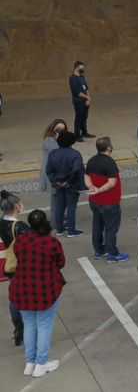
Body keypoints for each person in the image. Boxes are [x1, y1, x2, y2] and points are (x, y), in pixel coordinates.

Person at [9, 209, 66, 377]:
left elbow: (18, 256)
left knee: (29, 326)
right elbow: (60, 263)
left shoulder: (20, 241)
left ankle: (30, 362)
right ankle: (41, 364)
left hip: (21, 290)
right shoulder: (52, 242)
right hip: (45, 292)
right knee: (43, 326)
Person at [84, 137, 128, 263]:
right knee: (111, 228)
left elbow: (86, 175)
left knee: (97, 225)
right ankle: (112, 254)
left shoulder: (92, 160)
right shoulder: (110, 163)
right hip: (109, 201)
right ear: (108, 147)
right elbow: (111, 183)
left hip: (94, 201)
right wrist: (99, 189)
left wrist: (91, 187)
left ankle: (99, 250)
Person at [1, 190, 29, 348]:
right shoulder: (20, 227)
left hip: (11, 265)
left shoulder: (2, 222)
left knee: (14, 298)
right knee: (26, 299)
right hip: (23, 267)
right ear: (16, 206)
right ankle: (27, 329)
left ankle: (18, 328)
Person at [45, 130, 86, 237]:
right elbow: (77, 169)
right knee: (71, 207)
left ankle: (60, 229)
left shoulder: (53, 153)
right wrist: (68, 181)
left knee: (60, 206)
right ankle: (71, 230)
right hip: (71, 184)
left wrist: (55, 181)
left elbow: (49, 169)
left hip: (58, 183)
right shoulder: (75, 154)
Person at [38, 119, 66, 208]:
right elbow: (56, 152)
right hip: (52, 171)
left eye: (62, 129)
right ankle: (55, 218)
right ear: (53, 127)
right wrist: (59, 139)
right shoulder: (49, 140)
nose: (59, 130)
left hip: (59, 170)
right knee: (55, 198)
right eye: (58, 128)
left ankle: (60, 214)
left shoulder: (61, 139)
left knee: (60, 197)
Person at [69, 61, 93, 142]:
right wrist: (87, 97)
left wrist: (88, 98)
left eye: (83, 68)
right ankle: (77, 134)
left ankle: (84, 132)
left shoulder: (82, 77)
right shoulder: (73, 79)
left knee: (84, 117)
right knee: (79, 117)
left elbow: (86, 88)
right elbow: (77, 92)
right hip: (78, 101)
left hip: (85, 101)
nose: (82, 70)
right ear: (76, 68)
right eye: (81, 68)